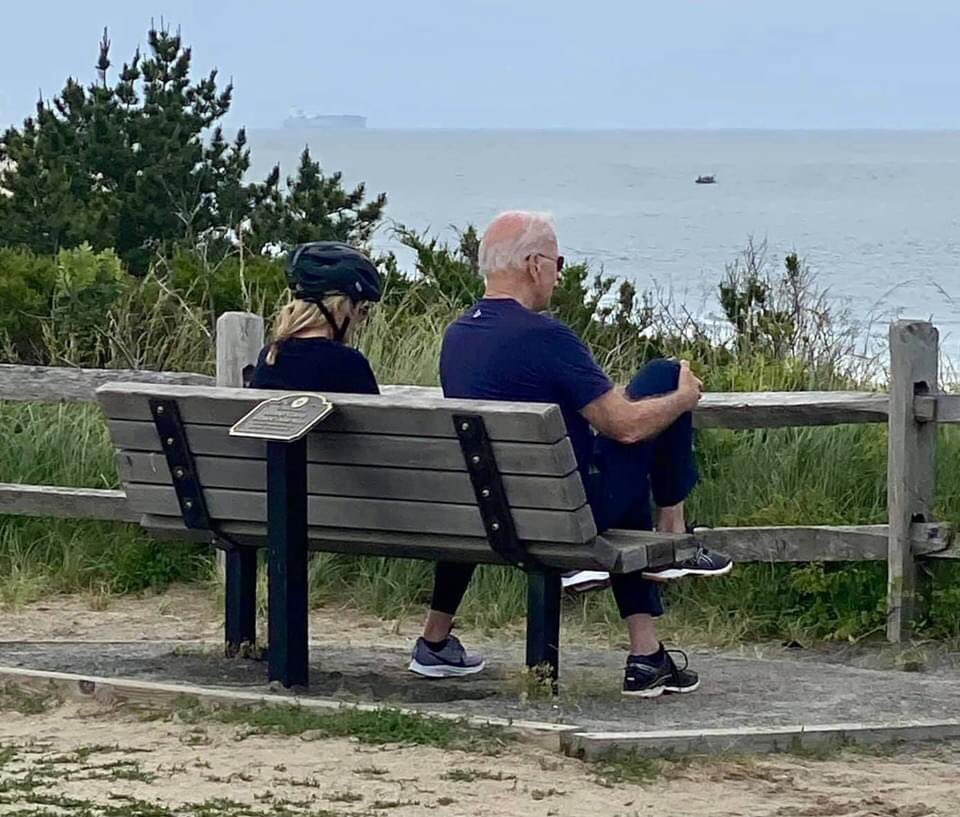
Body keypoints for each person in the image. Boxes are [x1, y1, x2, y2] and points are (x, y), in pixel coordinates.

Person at [408, 211, 733, 697]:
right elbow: (624, 426)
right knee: (664, 377)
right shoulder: (547, 336)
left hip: (489, 508)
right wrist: (683, 399)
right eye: (558, 263)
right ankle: (673, 538)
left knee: (614, 457)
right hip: (565, 515)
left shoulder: (458, 336)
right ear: (534, 265)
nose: (559, 273)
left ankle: (648, 655)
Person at [250, 241, 381, 394]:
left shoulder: (270, 356)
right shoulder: (349, 363)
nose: (359, 321)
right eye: (361, 310)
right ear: (340, 308)